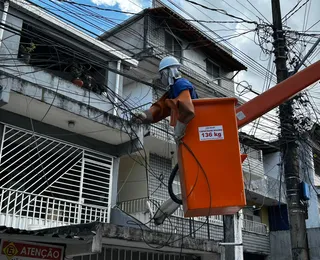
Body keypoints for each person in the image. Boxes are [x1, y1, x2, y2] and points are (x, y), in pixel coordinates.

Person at [132, 56, 199, 143]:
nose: (160, 77)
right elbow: (160, 107)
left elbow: (188, 110)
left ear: (169, 71)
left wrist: (179, 130)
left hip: (192, 130)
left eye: (162, 74)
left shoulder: (180, 84)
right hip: (187, 133)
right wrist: (144, 115)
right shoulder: (172, 92)